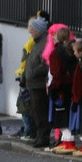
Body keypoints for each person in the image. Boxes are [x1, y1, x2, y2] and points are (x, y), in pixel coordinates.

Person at [25, 16, 51, 147]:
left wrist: (33, 72)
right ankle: (39, 136)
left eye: (33, 28)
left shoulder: (44, 43)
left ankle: (43, 137)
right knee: (35, 111)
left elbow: (45, 63)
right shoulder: (38, 42)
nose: (30, 31)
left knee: (40, 112)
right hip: (34, 83)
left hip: (39, 83)